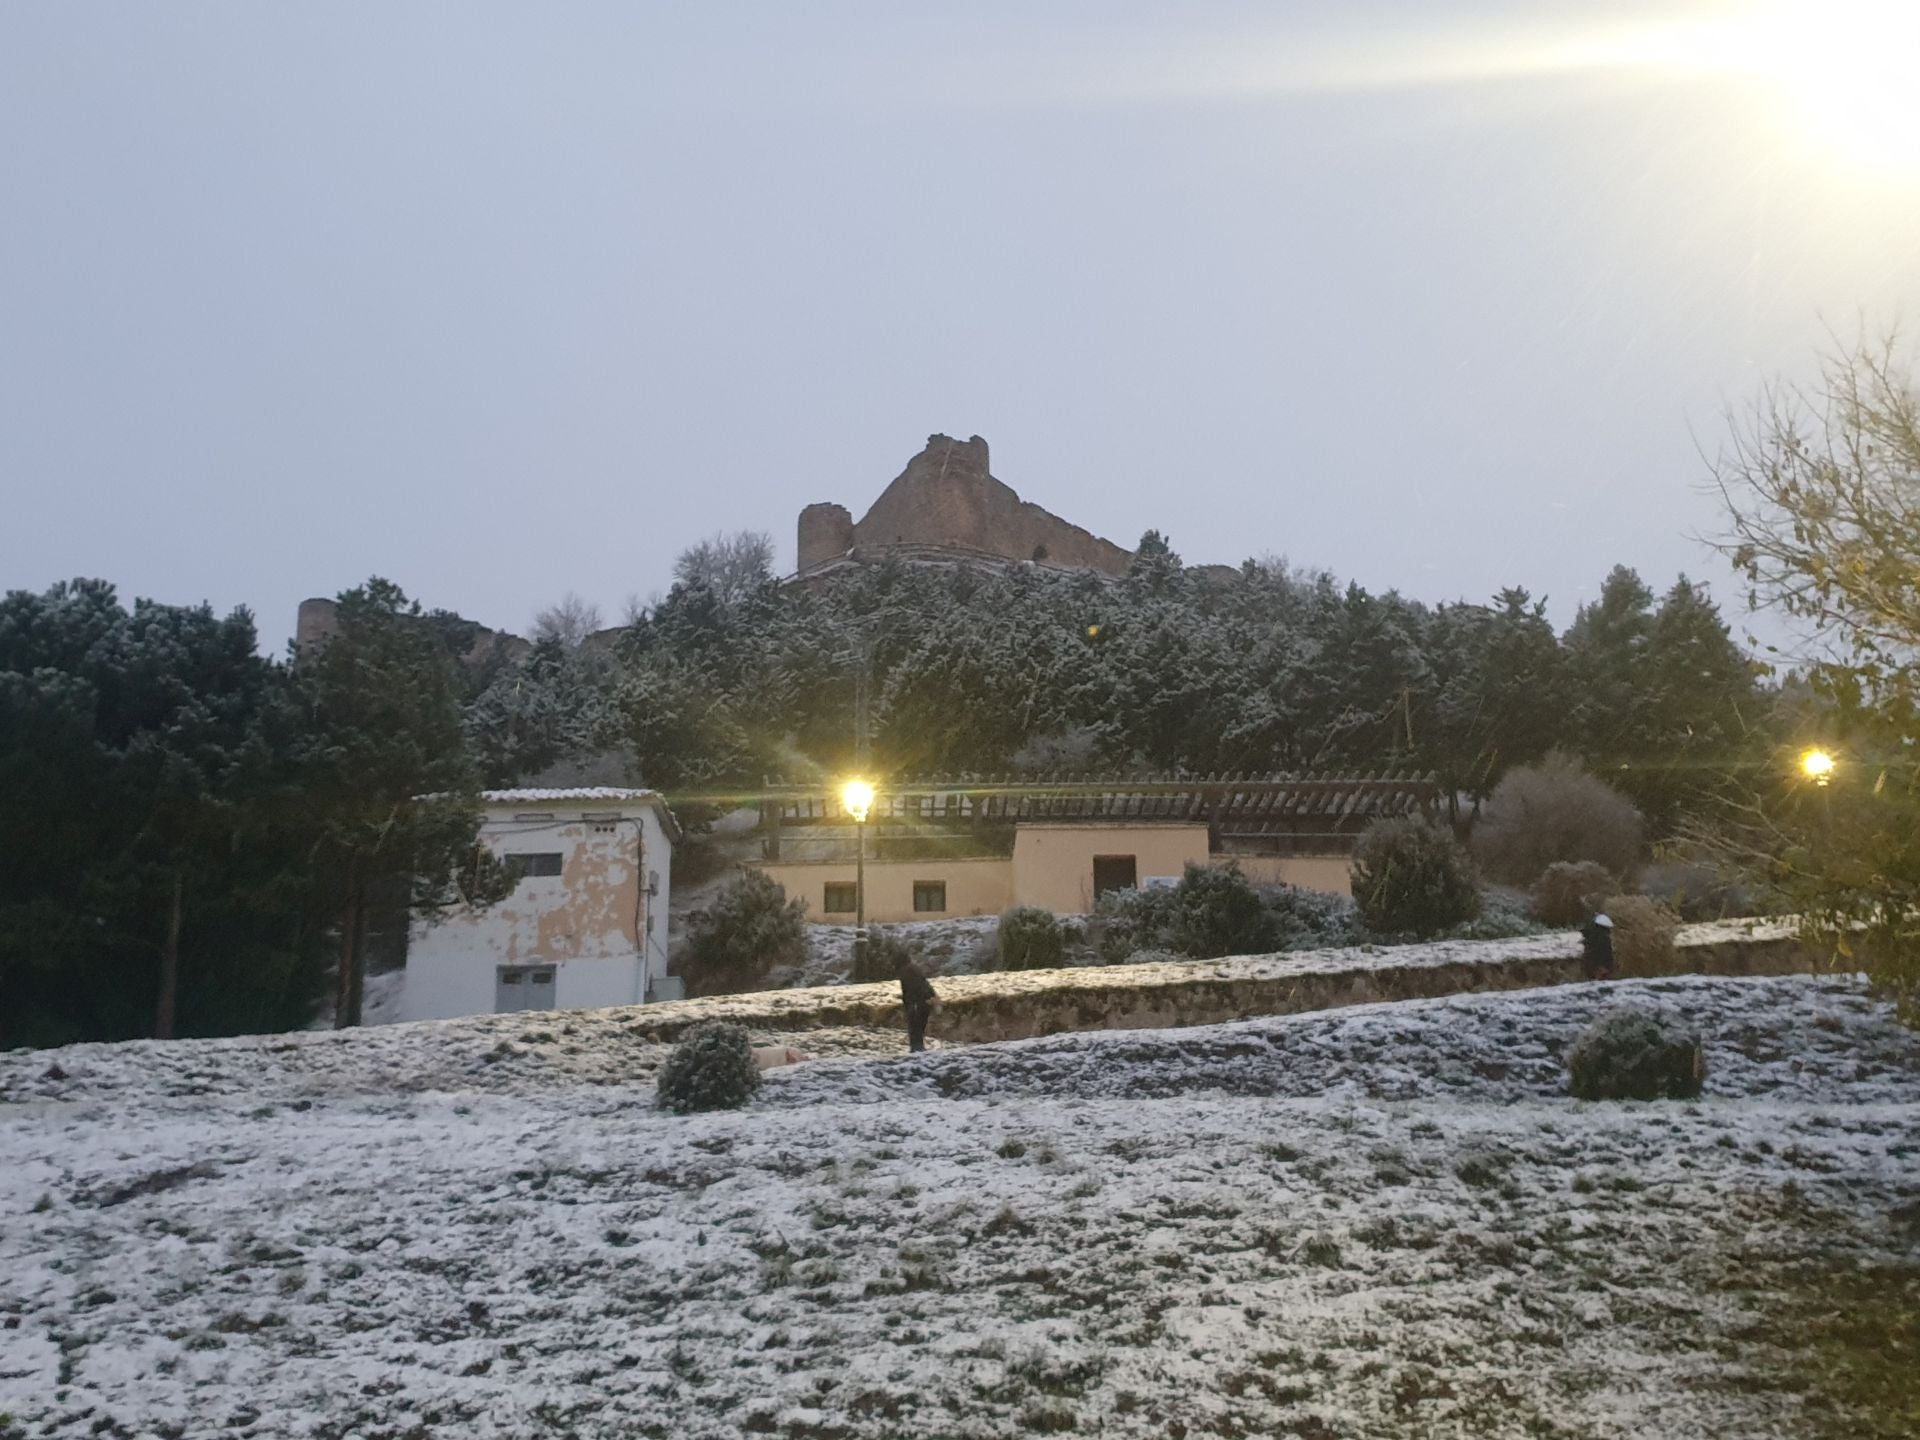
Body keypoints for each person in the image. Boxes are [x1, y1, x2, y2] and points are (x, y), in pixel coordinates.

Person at [895, 950, 937, 1052]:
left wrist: (909, 1004)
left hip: (917, 1002)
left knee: (914, 1025)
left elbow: (908, 990)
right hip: (926, 999)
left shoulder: (905, 971)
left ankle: (916, 1048)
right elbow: (924, 984)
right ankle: (919, 1047)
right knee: (920, 1025)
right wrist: (933, 996)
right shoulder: (914, 968)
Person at [1580, 912, 1616, 981]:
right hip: (1598, 966)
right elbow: (1604, 953)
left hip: (1593, 965)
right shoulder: (1603, 939)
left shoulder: (1591, 937)